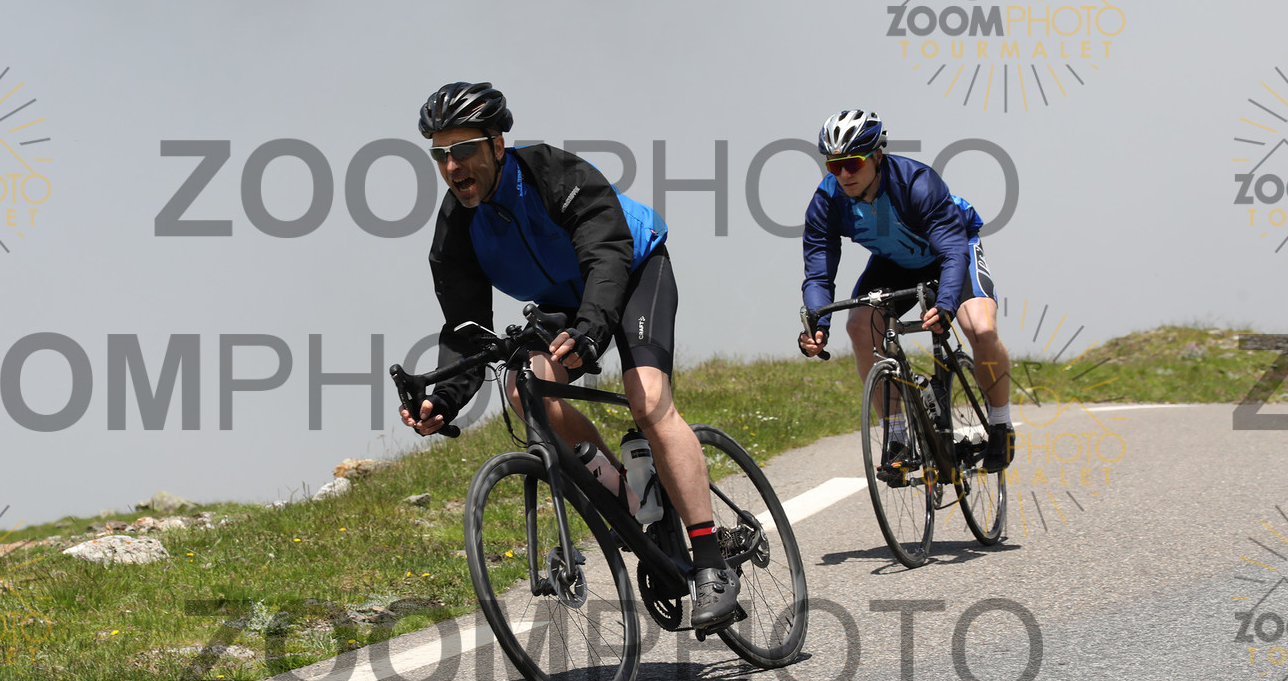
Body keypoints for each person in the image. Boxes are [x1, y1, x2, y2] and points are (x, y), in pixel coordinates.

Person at [399, 82, 740, 628]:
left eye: (463, 150)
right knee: (524, 389)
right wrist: (443, 398)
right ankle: (633, 501)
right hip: (562, 305)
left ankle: (710, 561)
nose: (451, 166)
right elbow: (467, 330)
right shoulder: (456, 229)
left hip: (632, 270)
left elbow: (606, 253)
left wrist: (590, 331)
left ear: (497, 144)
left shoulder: (552, 173)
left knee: (648, 400)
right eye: (440, 154)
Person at [797, 109, 1015, 473]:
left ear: (877, 156)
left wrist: (946, 305)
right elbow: (819, 272)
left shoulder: (916, 183)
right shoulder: (828, 200)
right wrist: (817, 324)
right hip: (895, 262)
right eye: (834, 166)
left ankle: (1001, 423)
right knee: (859, 326)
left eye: (852, 163)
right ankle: (897, 435)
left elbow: (952, 252)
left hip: (951, 252)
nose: (844, 175)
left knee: (980, 328)